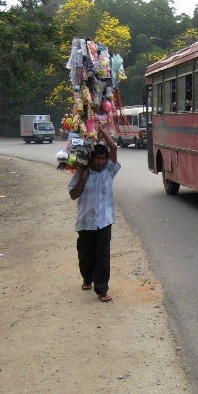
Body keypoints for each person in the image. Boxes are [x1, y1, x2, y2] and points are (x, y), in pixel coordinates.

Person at [68, 124, 121, 302]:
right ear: (92, 159)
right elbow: (73, 195)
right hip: (86, 221)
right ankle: (87, 278)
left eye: (103, 158)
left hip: (104, 221)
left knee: (103, 256)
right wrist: (82, 180)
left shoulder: (109, 172)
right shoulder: (82, 172)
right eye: (97, 158)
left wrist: (99, 130)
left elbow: (113, 147)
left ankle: (102, 289)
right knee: (85, 254)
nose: (101, 162)